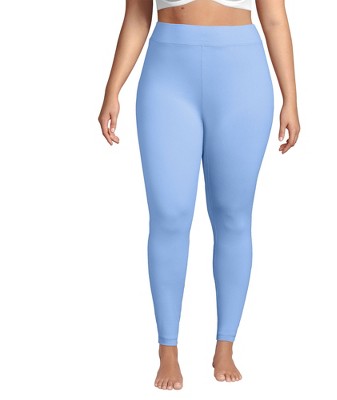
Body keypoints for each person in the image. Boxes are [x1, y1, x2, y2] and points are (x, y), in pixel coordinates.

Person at [98, 0, 300, 391]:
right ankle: (167, 349)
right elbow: (137, 16)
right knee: (168, 214)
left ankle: (225, 345)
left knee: (232, 214)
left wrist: (290, 97)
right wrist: (112, 89)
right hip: (167, 77)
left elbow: (274, 17)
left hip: (242, 76)